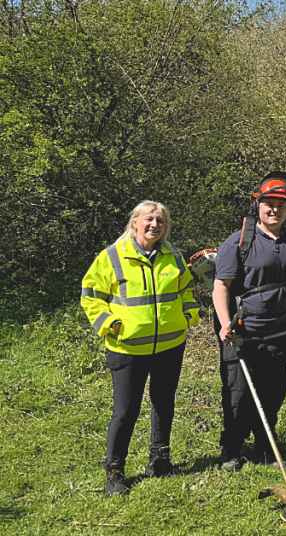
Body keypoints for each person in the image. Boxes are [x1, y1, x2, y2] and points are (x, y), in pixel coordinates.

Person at [81, 201, 199, 496]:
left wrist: (188, 316)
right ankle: (115, 472)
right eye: (149, 219)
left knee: (164, 402)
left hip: (170, 345)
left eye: (160, 221)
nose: (154, 225)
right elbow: (91, 296)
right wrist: (113, 325)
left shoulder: (174, 256)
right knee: (125, 411)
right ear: (135, 222)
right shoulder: (112, 257)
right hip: (128, 349)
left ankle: (160, 460)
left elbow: (187, 290)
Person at [212, 172, 286, 472]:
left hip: (283, 330)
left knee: (274, 389)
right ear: (257, 206)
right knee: (238, 392)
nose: (274, 210)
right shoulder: (239, 241)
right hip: (244, 332)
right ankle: (231, 447)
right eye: (268, 204)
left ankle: (265, 443)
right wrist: (224, 322)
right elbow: (221, 285)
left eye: (281, 205)